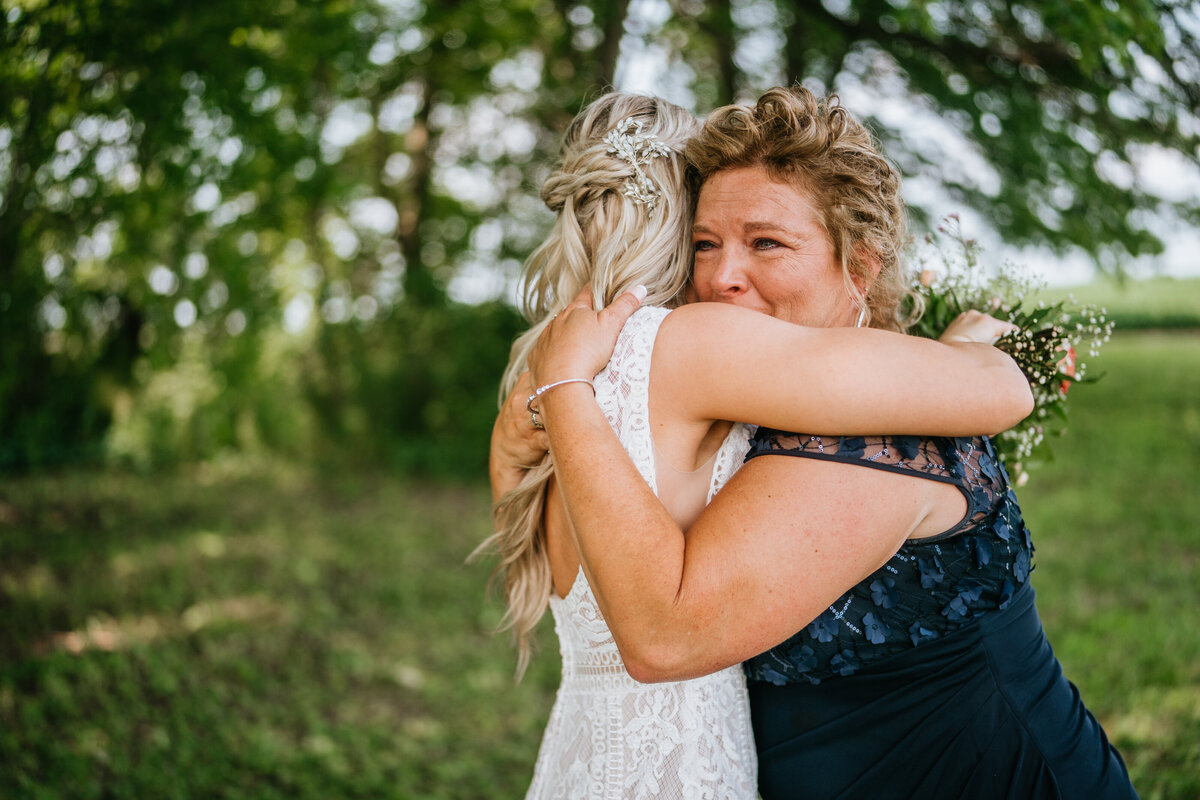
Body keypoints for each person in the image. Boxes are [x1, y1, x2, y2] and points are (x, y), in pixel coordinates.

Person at [499, 87, 1139, 798]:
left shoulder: (857, 433)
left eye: (766, 242)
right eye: (703, 244)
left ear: (859, 268)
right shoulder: (663, 381)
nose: (720, 277)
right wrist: (958, 354)